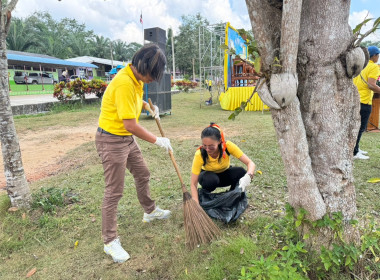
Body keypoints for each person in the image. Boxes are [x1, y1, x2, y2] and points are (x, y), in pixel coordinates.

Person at [95, 43, 173, 263]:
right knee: (114, 191)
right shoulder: (124, 83)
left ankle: (150, 211)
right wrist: (157, 140)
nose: (152, 80)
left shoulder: (134, 77)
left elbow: (132, 102)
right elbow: (130, 124)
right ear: (143, 65)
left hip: (125, 139)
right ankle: (110, 242)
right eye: (152, 75)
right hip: (111, 140)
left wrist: (148, 107)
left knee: (143, 173)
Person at [190, 123, 256, 203]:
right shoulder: (200, 154)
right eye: (204, 145)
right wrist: (196, 202)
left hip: (224, 174)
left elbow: (250, 163)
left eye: (211, 146)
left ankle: (233, 197)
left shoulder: (227, 146)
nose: (207, 149)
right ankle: (205, 197)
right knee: (211, 179)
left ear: (219, 141)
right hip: (208, 178)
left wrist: (249, 175)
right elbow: (193, 183)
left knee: (241, 172)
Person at [353, 46, 380, 160]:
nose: (378, 57)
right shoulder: (373, 67)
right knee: (360, 128)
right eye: (378, 55)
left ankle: (356, 148)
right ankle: (354, 152)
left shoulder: (360, 64)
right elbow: (371, 85)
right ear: (374, 55)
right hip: (364, 101)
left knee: (355, 127)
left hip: (354, 99)